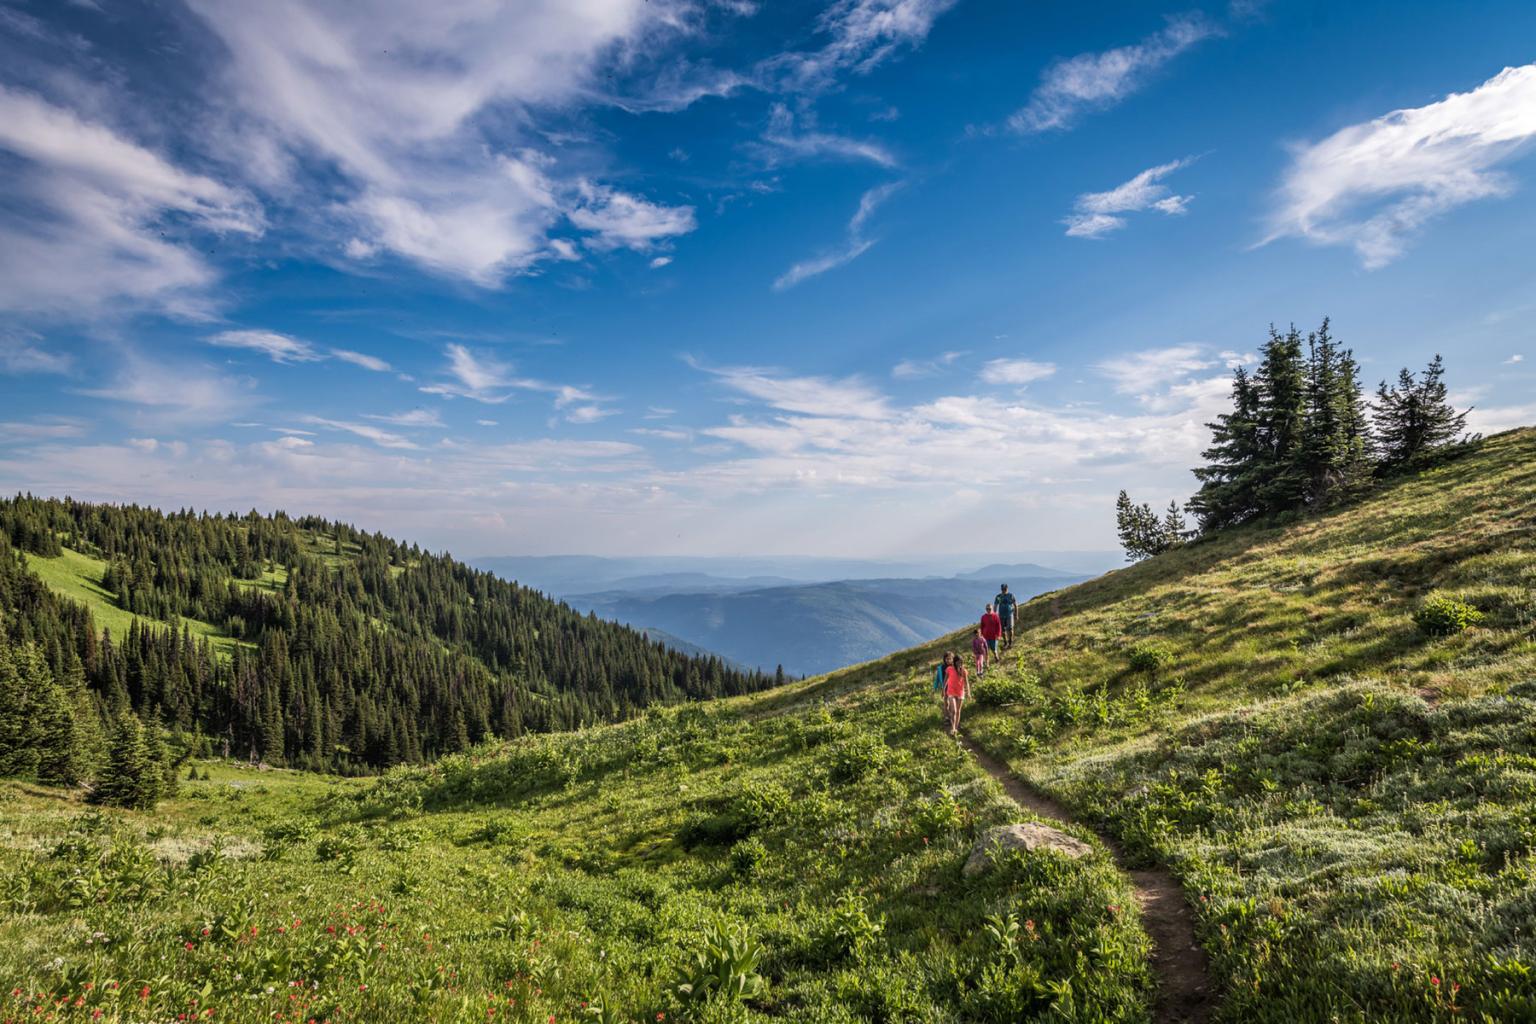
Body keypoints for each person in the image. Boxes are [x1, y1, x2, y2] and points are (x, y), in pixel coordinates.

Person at [944, 653, 970, 736]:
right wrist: (943, 689)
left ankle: (955, 728)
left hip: (960, 692)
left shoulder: (964, 671)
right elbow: (946, 680)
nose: (959, 664)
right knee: (954, 711)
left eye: (960, 662)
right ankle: (953, 728)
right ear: (954, 662)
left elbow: (966, 683)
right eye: (957, 662)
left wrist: (968, 692)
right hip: (951, 691)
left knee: (958, 711)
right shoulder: (949, 669)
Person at [994, 583, 1018, 649]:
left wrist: (1016, 614)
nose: (1004, 590)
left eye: (1005, 589)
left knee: (1010, 628)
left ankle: (1010, 642)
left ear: (1007, 588)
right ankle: (1005, 643)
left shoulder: (1011, 595)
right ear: (1001, 589)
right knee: (1003, 630)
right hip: (1001, 615)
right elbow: (995, 605)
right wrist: (994, 615)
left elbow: (1015, 605)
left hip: (1009, 614)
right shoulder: (998, 596)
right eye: (1003, 589)